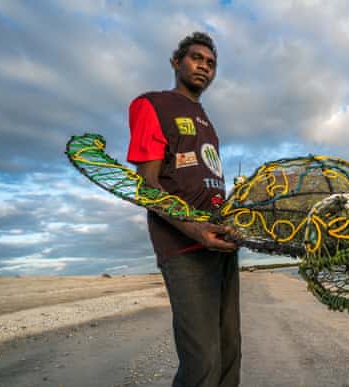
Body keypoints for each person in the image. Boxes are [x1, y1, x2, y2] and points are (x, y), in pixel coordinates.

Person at [126, 32, 241, 387]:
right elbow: (147, 186)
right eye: (196, 58)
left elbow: (208, 182)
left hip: (220, 244)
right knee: (202, 361)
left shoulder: (206, 120)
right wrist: (194, 229)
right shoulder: (153, 105)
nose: (204, 66)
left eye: (210, 63)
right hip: (184, 247)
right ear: (177, 62)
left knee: (228, 353)